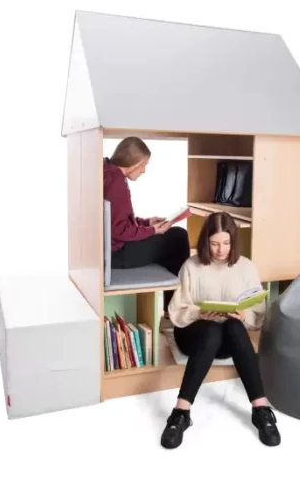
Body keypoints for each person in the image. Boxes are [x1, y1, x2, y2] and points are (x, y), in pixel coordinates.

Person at [160, 212, 281, 449]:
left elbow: (258, 310)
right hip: (193, 335)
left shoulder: (246, 267)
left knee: (234, 326)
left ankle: (261, 409)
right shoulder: (191, 266)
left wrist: (244, 315)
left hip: (228, 339)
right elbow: (176, 311)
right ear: (205, 241)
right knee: (211, 331)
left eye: (226, 243)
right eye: (214, 243)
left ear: (234, 240)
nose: (221, 250)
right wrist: (199, 313)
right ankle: (181, 412)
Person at [103, 136, 191, 313]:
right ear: (133, 162)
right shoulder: (116, 182)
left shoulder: (108, 173)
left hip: (114, 249)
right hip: (118, 253)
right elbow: (118, 230)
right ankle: (175, 311)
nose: (143, 171)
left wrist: (147, 222)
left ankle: (170, 309)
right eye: (143, 165)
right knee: (179, 237)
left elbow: (116, 220)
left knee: (169, 243)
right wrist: (151, 231)